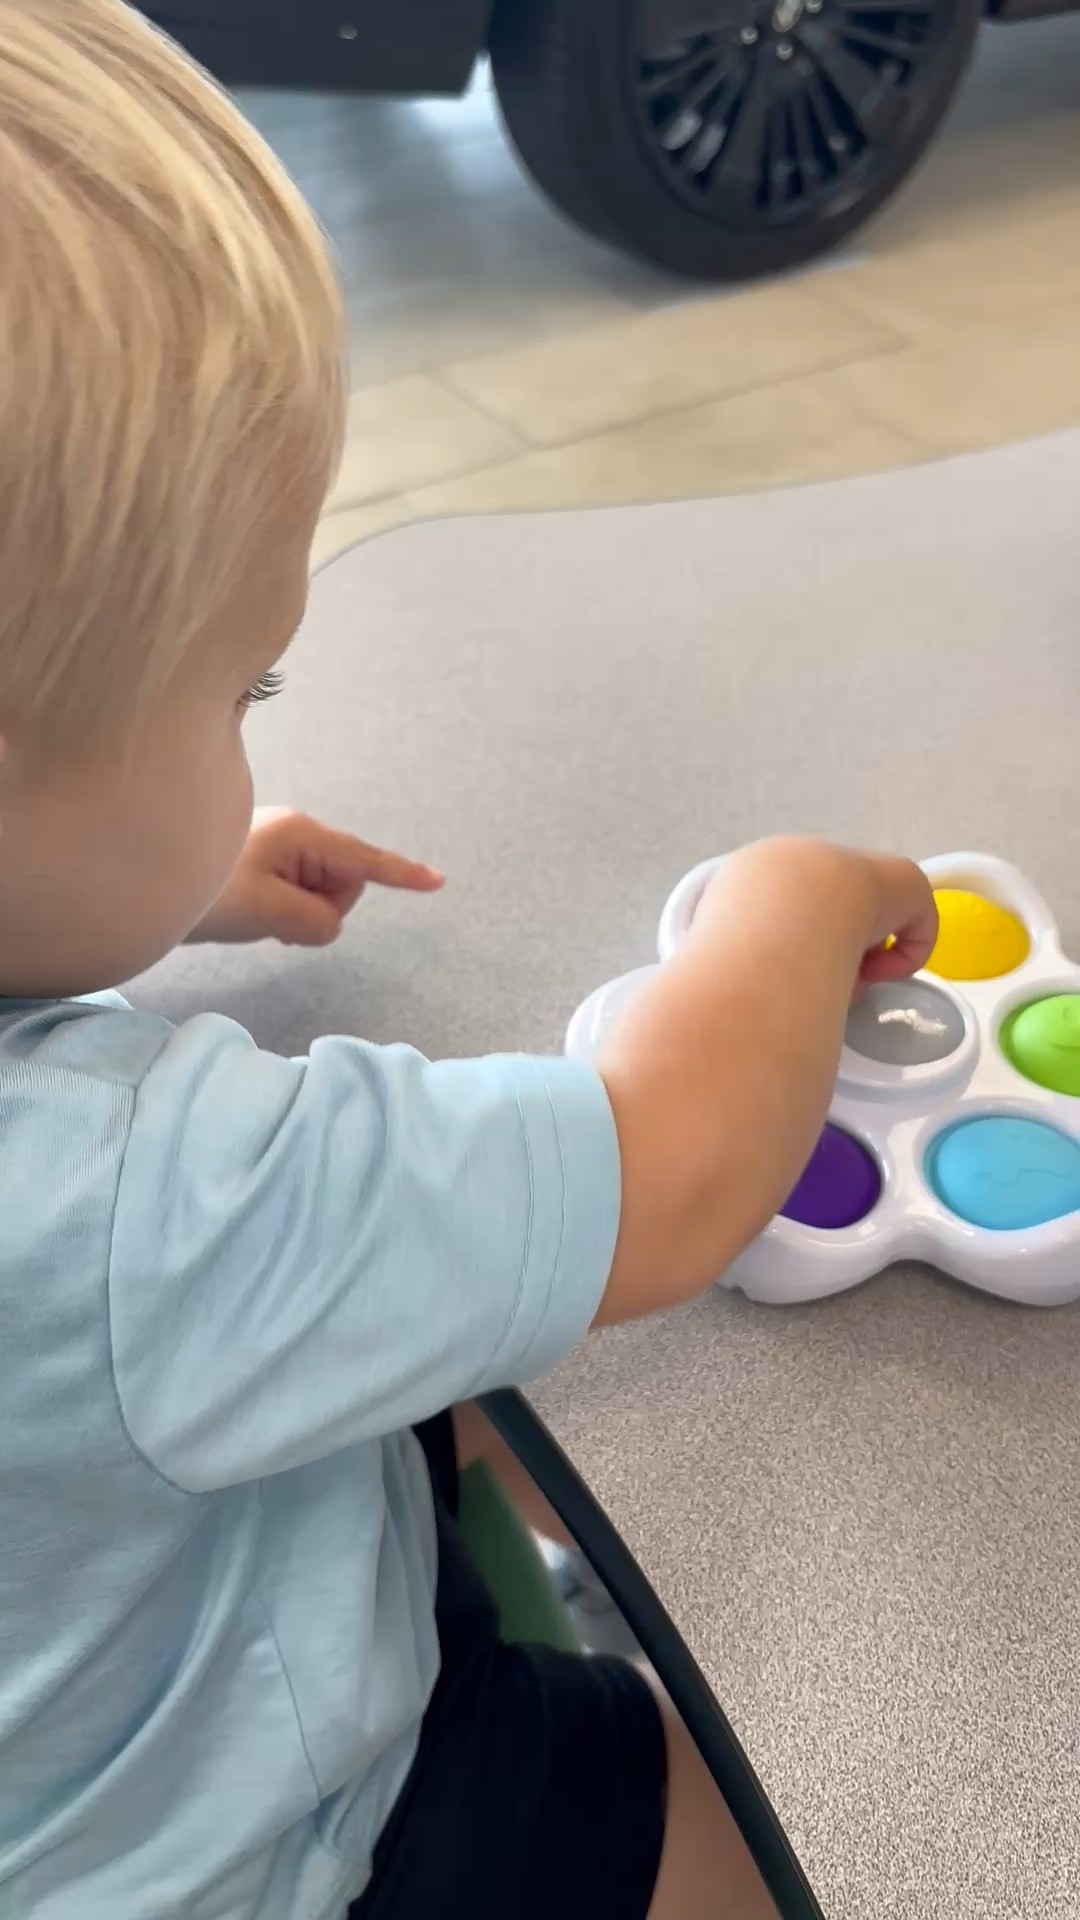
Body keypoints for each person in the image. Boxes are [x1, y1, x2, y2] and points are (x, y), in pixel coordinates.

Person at [0, 5, 939, 1918]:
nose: (262, 723)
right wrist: (790, 898)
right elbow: (671, 1170)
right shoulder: (131, 1212)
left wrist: (158, 883)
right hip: (288, 1845)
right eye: (243, 688)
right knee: (712, 1806)